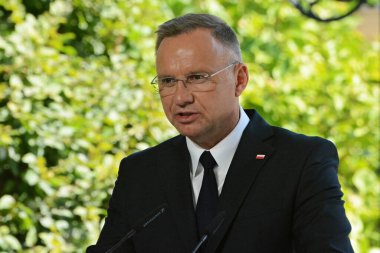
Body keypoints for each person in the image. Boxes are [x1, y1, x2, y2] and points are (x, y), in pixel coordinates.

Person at [87, 13, 354, 253]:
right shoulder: (140, 173)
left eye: (197, 78)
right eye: (168, 81)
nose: (180, 97)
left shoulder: (302, 161)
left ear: (239, 79)